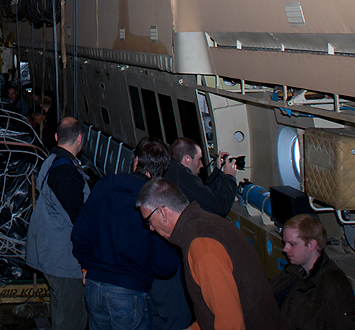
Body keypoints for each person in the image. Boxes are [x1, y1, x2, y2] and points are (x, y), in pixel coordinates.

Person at [137, 178, 283, 330]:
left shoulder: (202, 245)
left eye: (149, 221)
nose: (151, 228)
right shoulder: (206, 224)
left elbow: (230, 323)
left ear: (162, 212)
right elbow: (211, 315)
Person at [71, 138, 179, 330]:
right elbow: (165, 265)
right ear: (162, 169)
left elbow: (80, 233)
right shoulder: (155, 203)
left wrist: (87, 266)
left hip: (94, 286)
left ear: (136, 161)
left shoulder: (104, 184)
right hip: (129, 290)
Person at [26, 118, 89, 330]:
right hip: (64, 261)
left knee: (61, 309)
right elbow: (80, 220)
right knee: (71, 317)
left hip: (50, 252)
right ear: (80, 138)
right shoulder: (67, 173)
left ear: (56, 137)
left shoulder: (51, 160)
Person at [270, 214, 355, 330]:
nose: (285, 249)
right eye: (285, 243)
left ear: (312, 245)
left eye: (292, 244)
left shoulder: (334, 284)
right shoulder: (293, 271)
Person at [164, 137, 237, 216]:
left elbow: (204, 194)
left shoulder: (173, 169)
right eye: (199, 159)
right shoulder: (183, 178)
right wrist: (230, 176)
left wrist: (219, 172)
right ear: (187, 159)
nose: (202, 165)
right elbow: (221, 207)